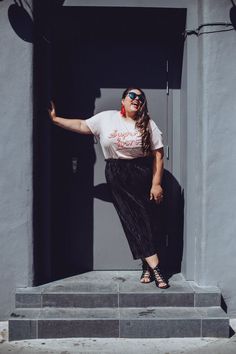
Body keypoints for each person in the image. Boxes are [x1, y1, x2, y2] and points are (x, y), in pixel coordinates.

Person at [48, 88, 169, 289]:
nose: (136, 99)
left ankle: (146, 267)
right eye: (132, 95)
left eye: (140, 97)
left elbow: (158, 154)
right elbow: (81, 125)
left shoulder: (148, 123)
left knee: (148, 220)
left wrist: (156, 184)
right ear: (123, 100)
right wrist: (55, 120)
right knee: (133, 219)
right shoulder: (107, 118)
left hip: (142, 172)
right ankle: (157, 268)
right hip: (117, 172)